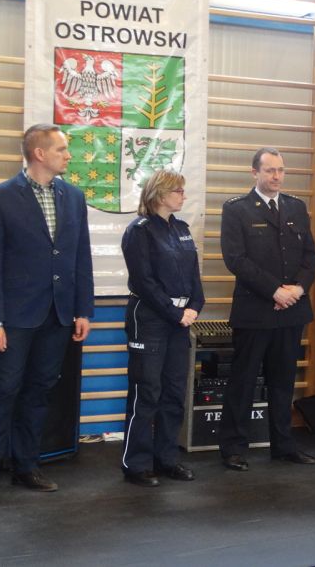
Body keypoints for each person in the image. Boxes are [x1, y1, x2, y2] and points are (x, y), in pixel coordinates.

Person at [0, 124, 93, 511]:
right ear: (39, 153)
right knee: (3, 392)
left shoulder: (73, 197)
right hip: (15, 317)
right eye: (62, 149)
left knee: (39, 391)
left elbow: (80, 257)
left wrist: (83, 310)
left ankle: (26, 465)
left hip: (58, 314)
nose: (68, 155)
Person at [218, 147, 315, 471]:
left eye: (281, 170)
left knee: (283, 382)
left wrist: (298, 289)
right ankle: (234, 448)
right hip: (255, 310)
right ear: (255, 173)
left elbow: (309, 255)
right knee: (243, 381)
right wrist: (274, 290)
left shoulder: (296, 207)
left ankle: (283, 445)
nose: (277, 176)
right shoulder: (237, 209)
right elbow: (236, 259)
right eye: (270, 170)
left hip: (291, 309)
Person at [118, 169, 203, 487]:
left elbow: (194, 275)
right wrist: (173, 312)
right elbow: (143, 281)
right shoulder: (139, 231)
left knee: (174, 391)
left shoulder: (181, 229)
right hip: (151, 318)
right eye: (178, 191)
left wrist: (195, 306)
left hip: (179, 320)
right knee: (147, 391)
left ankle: (166, 458)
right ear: (160, 194)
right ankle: (136, 463)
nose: (183, 196)